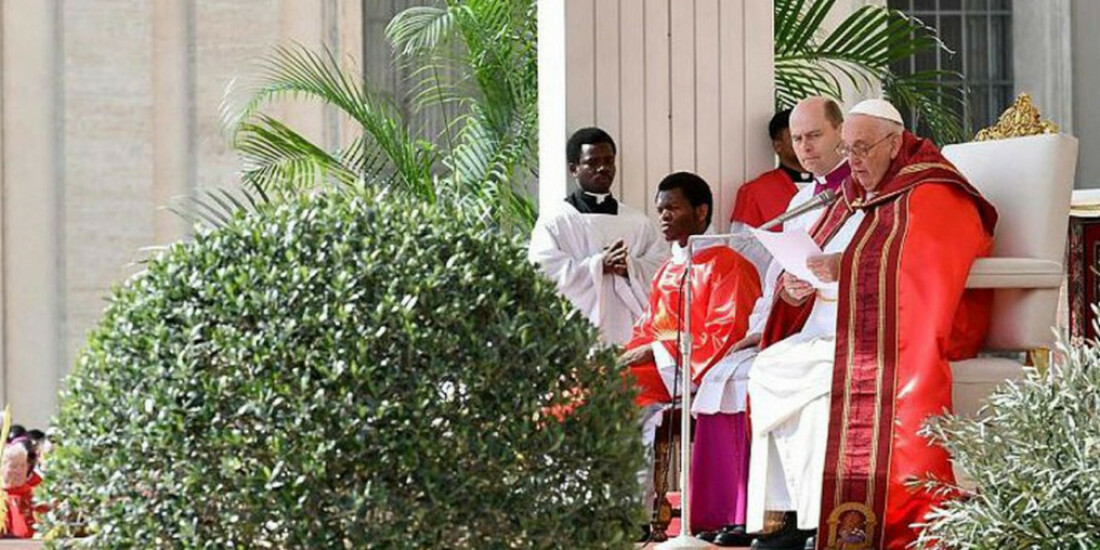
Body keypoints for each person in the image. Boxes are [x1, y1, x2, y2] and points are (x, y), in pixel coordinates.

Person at [746, 99, 997, 550]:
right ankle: (800, 516)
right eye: (847, 150)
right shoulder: (855, 192)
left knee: (823, 376)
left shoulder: (934, 190)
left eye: (861, 148)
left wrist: (847, 268)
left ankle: (840, 520)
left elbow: (925, 266)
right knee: (771, 366)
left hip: (909, 332)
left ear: (894, 142)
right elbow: (815, 260)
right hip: (848, 327)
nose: (853, 162)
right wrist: (796, 288)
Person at [618, 172, 761, 544]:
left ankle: (629, 513)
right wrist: (620, 357)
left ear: (700, 212)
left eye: (673, 208)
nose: (663, 217)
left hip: (700, 373)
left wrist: (656, 349)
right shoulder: (668, 269)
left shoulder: (729, 265)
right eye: (660, 210)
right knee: (589, 386)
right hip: (665, 367)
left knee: (621, 397)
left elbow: (727, 335)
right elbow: (646, 329)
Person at [529, 127, 668, 346]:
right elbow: (542, 273)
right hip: (577, 334)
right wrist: (598, 265)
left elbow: (663, 270)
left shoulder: (637, 221)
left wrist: (629, 268)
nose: (603, 168)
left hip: (630, 330)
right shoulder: (556, 221)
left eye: (608, 161)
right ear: (574, 169)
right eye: (592, 162)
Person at [730, 110, 814, 233]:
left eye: (811, 136)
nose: (806, 144)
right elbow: (741, 246)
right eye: (796, 138)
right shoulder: (754, 192)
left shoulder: (833, 184)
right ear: (778, 146)